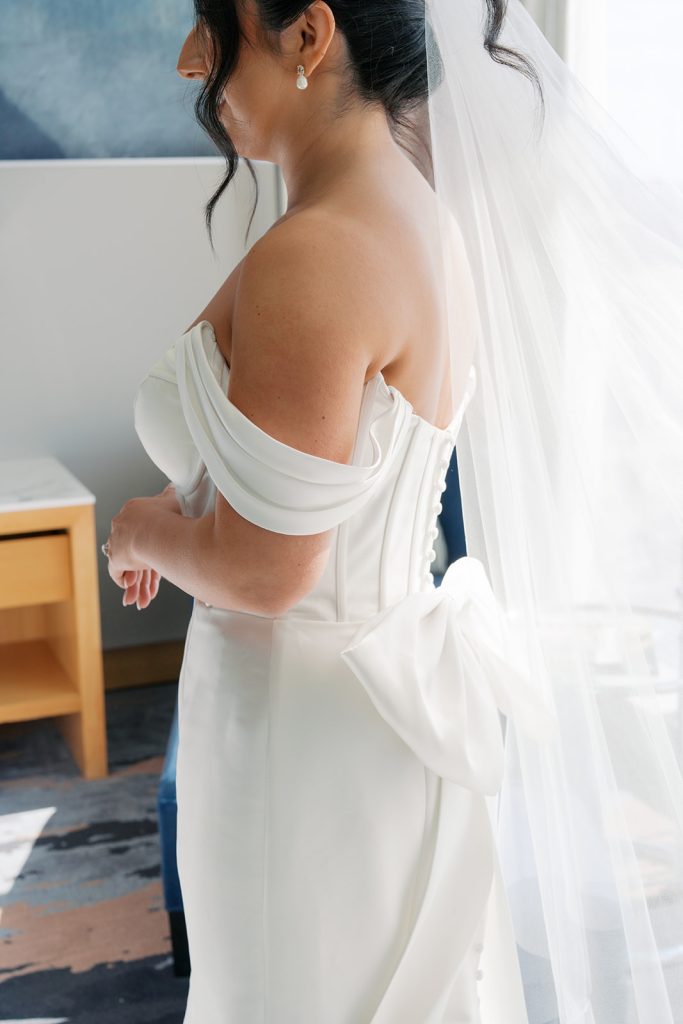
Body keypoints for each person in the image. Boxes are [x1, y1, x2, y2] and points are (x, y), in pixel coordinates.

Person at [103, 1, 683, 1021]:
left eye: (215, 24)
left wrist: (143, 531)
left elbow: (272, 570)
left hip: (293, 716)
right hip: (372, 698)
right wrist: (191, 493)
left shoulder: (315, 252)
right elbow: (324, 468)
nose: (193, 61)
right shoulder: (418, 218)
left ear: (306, 34)